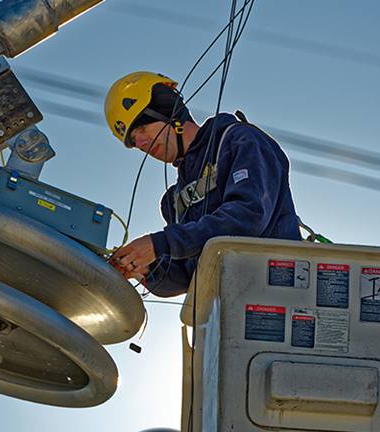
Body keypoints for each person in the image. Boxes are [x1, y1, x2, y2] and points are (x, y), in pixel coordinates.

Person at [104, 71, 302, 296]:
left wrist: (160, 243)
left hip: (277, 297)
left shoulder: (240, 141)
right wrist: (144, 268)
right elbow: (185, 278)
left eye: (141, 128)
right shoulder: (175, 200)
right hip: (223, 312)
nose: (140, 143)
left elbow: (248, 216)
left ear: (170, 113)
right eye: (132, 141)